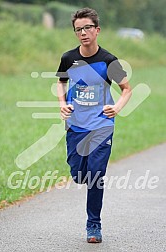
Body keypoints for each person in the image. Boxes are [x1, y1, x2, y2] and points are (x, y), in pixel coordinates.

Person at [56, 7, 132, 243]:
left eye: (88, 28)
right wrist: (62, 103)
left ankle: (94, 226)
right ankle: (80, 174)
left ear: (97, 30)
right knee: (80, 175)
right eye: (79, 29)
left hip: (102, 126)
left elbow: (126, 89)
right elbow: (61, 82)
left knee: (96, 175)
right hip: (76, 126)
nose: (83, 33)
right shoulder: (69, 58)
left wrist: (116, 108)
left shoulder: (109, 61)